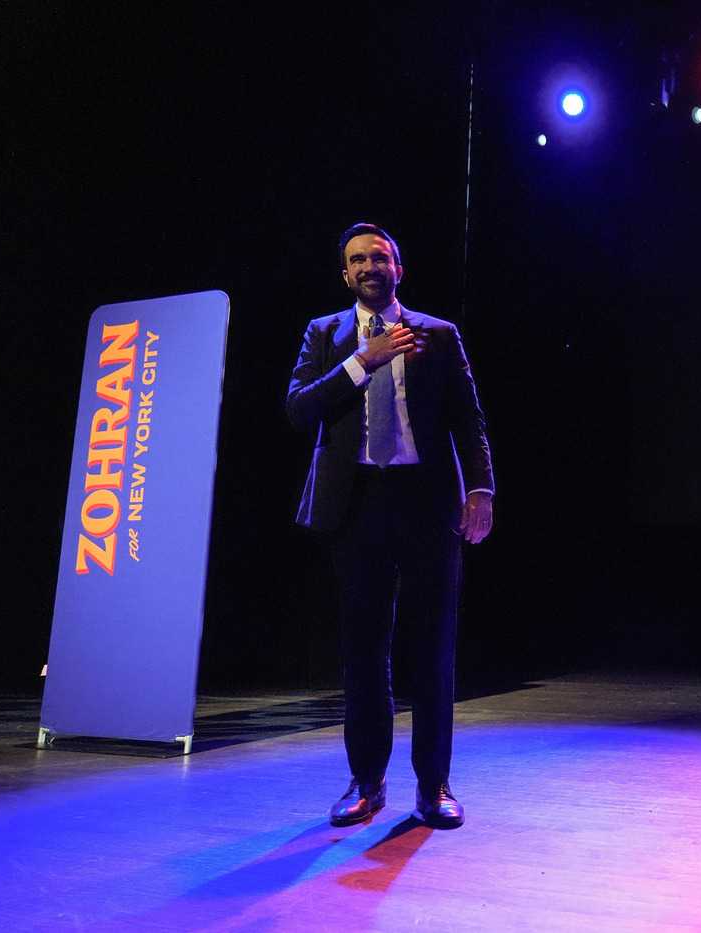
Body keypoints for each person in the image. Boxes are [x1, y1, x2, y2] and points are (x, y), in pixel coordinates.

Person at [286, 222, 494, 828]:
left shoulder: (439, 333)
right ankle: (366, 782)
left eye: (380, 257)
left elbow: (468, 419)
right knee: (363, 650)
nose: (369, 267)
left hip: (426, 501)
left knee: (433, 648)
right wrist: (362, 362)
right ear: (345, 274)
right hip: (357, 505)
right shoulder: (325, 334)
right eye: (357, 260)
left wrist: (481, 489)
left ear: (398, 269)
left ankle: (434, 786)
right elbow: (298, 408)